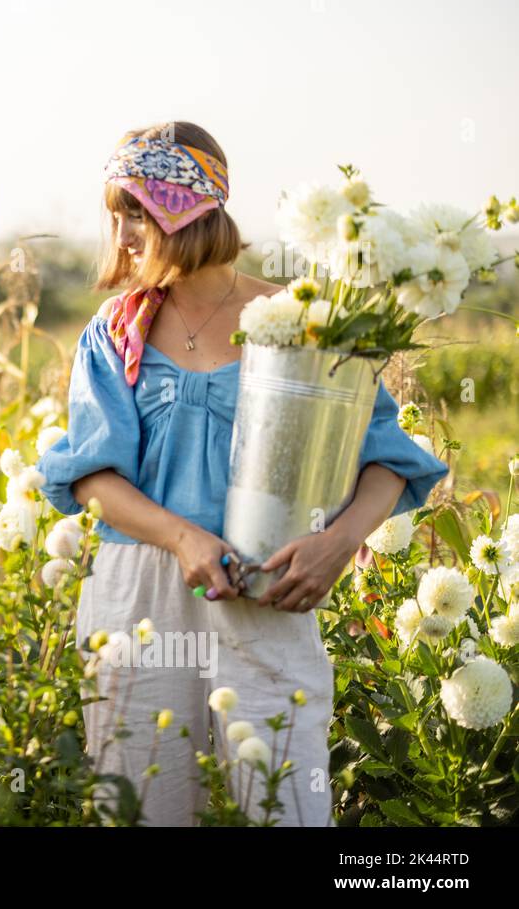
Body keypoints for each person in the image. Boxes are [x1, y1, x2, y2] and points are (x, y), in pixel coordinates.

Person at [35, 122, 449, 826]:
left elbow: (390, 458)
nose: (122, 233)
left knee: (285, 803)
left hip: (269, 586)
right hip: (140, 594)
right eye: (115, 214)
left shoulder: (300, 322)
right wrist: (182, 538)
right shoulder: (116, 330)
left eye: (135, 209)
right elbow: (91, 475)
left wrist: (339, 541)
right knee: (142, 806)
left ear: (185, 207)